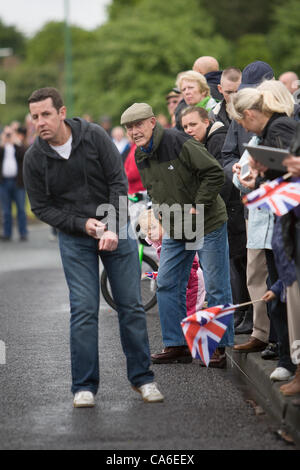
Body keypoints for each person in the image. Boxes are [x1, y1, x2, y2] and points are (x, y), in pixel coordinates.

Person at [23, 87, 163, 407]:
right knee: (84, 310)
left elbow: (118, 182)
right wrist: (83, 225)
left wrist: (112, 226)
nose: (40, 122)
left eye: (46, 114)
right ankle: (84, 386)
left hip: (116, 227)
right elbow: (42, 207)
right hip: (75, 237)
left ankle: (143, 379)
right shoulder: (34, 158)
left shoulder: (94, 136)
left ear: (61, 112)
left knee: (130, 305)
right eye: (34, 117)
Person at [120, 102, 234, 367]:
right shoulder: (140, 154)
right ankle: (177, 345)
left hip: (207, 221)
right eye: (129, 128)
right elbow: (156, 189)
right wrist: (160, 215)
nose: (134, 131)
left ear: (151, 122)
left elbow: (214, 173)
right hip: (175, 227)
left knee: (217, 287)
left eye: (138, 125)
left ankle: (220, 346)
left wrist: (199, 206)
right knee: (167, 283)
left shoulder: (178, 141)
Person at [227, 79, 297, 381]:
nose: (245, 128)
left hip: (287, 224)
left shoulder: (279, 129)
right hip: (280, 224)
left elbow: (286, 178)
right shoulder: (275, 130)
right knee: (277, 288)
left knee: (283, 290)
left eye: (243, 122)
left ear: (251, 114)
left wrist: (258, 182)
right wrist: (256, 180)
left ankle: (289, 361)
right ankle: (286, 358)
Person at [181, 106, 249, 330]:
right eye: (185, 127)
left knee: (237, 264)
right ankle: (239, 312)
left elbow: (222, 180)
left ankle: (243, 313)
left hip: (230, 211)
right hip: (223, 211)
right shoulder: (203, 143)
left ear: (207, 122)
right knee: (231, 267)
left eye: (193, 125)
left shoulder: (216, 141)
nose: (189, 130)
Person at [221, 60, 275, 342]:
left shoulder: (284, 122)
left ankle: (278, 341)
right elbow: (229, 156)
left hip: (278, 210)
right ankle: (261, 332)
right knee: (253, 271)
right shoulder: (239, 119)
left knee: (277, 276)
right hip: (248, 205)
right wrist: (236, 172)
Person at [138, 208, 206, 319]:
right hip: (182, 283)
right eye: (146, 230)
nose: (149, 232)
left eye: (153, 228)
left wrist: (167, 275)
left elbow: (190, 266)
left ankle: (191, 334)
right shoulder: (160, 243)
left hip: (192, 282)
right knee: (181, 313)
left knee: (191, 313)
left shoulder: (174, 243)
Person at [0, 125, 28, 241]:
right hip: (4, 182)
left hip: (18, 183)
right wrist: (3, 141)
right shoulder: (2, 147)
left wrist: (15, 140)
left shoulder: (18, 147)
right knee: (6, 210)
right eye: (6, 133)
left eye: (10, 133)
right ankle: (7, 233)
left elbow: (25, 153)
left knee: (21, 209)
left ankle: (23, 233)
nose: (8, 136)